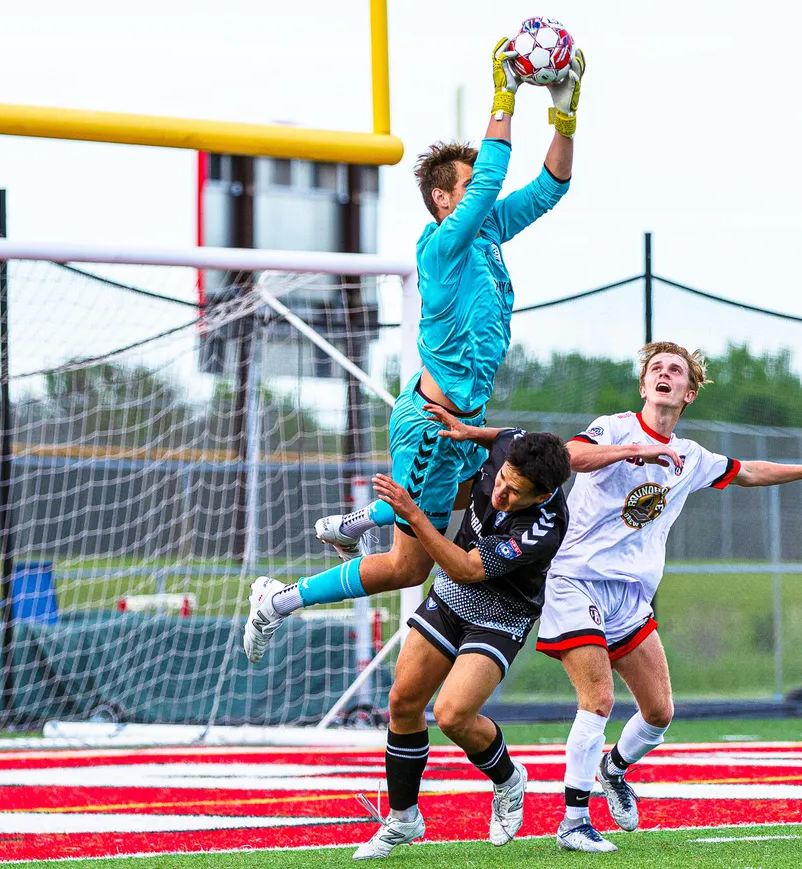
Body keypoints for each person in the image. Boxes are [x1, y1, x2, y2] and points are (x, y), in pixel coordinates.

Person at [241, 37, 585, 665]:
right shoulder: (441, 245)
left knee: (460, 508)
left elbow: (553, 185)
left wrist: (566, 108)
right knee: (407, 568)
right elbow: (491, 180)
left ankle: (355, 522)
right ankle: (278, 600)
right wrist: (504, 93)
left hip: (457, 424)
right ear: (445, 201)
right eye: (467, 186)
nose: (480, 192)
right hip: (430, 428)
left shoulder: (487, 234)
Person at [535, 341, 802, 852]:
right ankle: (574, 823)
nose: (666, 375)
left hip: (630, 596)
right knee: (598, 700)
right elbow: (569, 456)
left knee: (660, 714)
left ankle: (613, 768)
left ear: (688, 393)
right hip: (576, 579)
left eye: (677, 372)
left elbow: (749, 471)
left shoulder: (691, 457)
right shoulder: (616, 427)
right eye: (657, 370)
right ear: (644, 386)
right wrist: (633, 450)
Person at [351, 427, 572, 859]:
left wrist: (414, 515)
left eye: (516, 492)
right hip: (450, 596)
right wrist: (468, 431)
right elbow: (501, 435)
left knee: (452, 715)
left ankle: (508, 779)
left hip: (500, 615)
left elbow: (469, 567)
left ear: (542, 495)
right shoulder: (512, 447)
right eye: (503, 478)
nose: (501, 492)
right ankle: (403, 817)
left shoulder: (545, 528)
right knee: (403, 702)